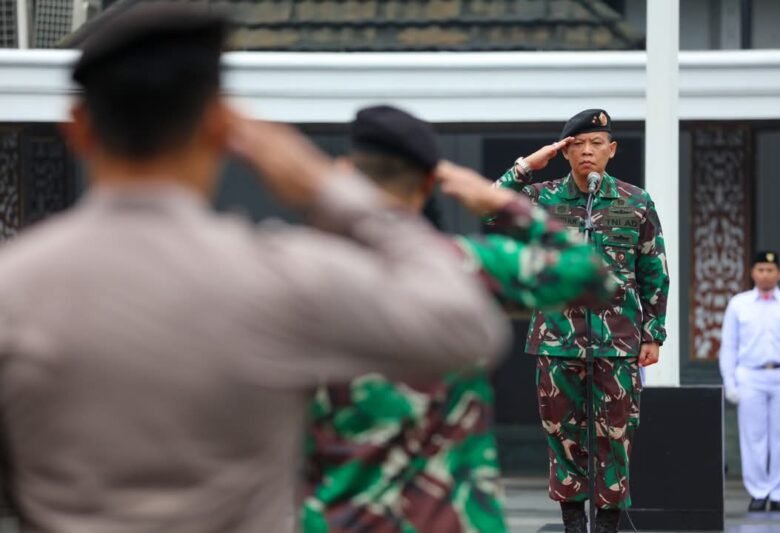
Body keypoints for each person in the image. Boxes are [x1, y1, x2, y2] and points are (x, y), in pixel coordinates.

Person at [0, 6, 509, 532]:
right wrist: (328, 190)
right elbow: (468, 329)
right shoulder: (283, 280)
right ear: (221, 127)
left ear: (79, 128)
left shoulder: (15, 289)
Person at [302, 105, 614, 533]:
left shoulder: (292, 277)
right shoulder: (465, 265)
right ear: (433, 182)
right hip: (453, 519)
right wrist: (501, 200)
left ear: (344, 172)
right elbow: (592, 275)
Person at [489, 109, 670, 533]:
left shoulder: (635, 201)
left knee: (617, 437)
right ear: (564, 151)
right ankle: (573, 524)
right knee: (563, 437)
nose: (587, 152)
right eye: (577, 145)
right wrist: (526, 166)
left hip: (619, 343)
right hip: (558, 341)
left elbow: (654, 271)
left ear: (612, 150)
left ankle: (606, 526)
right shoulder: (542, 198)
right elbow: (489, 211)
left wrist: (653, 333)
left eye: (595, 144)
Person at [720, 251, 780, 513]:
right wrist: (730, 382)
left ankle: (779, 494)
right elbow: (729, 346)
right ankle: (758, 492)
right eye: (761, 269)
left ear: (779, 273)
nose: (766, 274)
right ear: (753, 272)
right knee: (753, 437)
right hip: (751, 375)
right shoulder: (739, 304)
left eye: (770, 269)